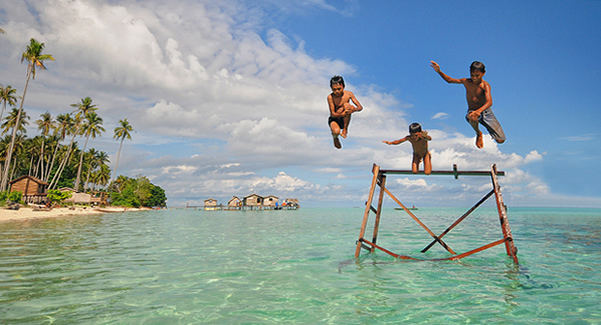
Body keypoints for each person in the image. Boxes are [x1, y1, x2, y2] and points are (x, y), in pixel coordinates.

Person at [430, 60, 506, 149]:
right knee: (472, 116)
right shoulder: (466, 82)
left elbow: (489, 102)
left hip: (485, 112)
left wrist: (479, 111)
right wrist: (439, 71)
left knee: (501, 140)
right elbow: (449, 80)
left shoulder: (485, 85)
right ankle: (479, 133)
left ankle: (486, 125)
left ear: (483, 73)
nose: (474, 78)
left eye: (477, 75)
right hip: (473, 111)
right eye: (472, 75)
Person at [327, 75, 363, 149]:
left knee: (347, 105)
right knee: (336, 131)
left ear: (343, 87)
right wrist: (343, 113)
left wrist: (353, 109)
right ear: (331, 88)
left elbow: (360, 107)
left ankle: (345, 130)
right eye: (334, 89)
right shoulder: (330, 97)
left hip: (344, 119)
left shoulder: (349, 94)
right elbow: (333, 114)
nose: (337, 91)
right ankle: (335, 136)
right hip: (335, 119)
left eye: (339, 89)